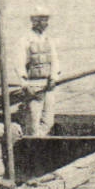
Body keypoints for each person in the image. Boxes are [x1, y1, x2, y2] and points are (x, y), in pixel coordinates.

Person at [17, 8, 60, 136]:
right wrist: (25, 85)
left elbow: (55, 61)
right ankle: (35, 144)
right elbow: (19, 64)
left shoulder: (49, 40)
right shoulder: (24, 40)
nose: (44, 23)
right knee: (34, 122)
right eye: (41, 20)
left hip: (48, 85)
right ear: (33, 21)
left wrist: (53, 78)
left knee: (48, 121)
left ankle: (40, 141)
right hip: (33, 85)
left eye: (46, 19)